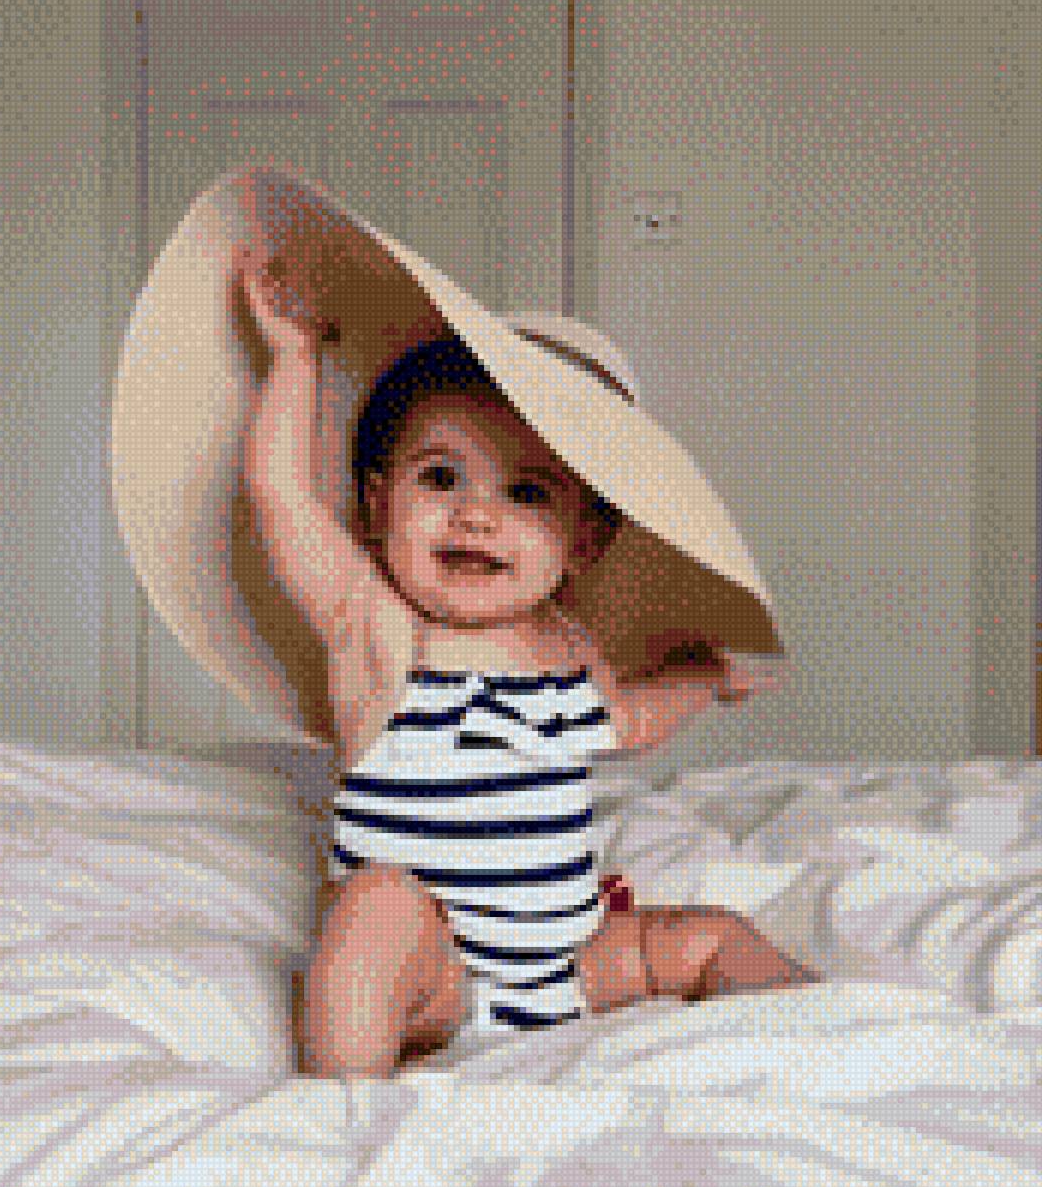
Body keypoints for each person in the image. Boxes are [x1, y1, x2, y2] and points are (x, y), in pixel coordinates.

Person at [232, 234, 819, 1080]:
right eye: (441, 478)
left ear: (582, 542)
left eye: (526, 492)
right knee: (375, 907)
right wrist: (294, 360)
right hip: (438, 976)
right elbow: (280, 499)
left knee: (708, 937)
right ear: (377, 505)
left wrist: (704, 678)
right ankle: (342, 1102)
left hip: (566, 966)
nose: (477, 515)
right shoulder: (377, 625)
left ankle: (830, 1036)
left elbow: (628, 723)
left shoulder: (570, 644)